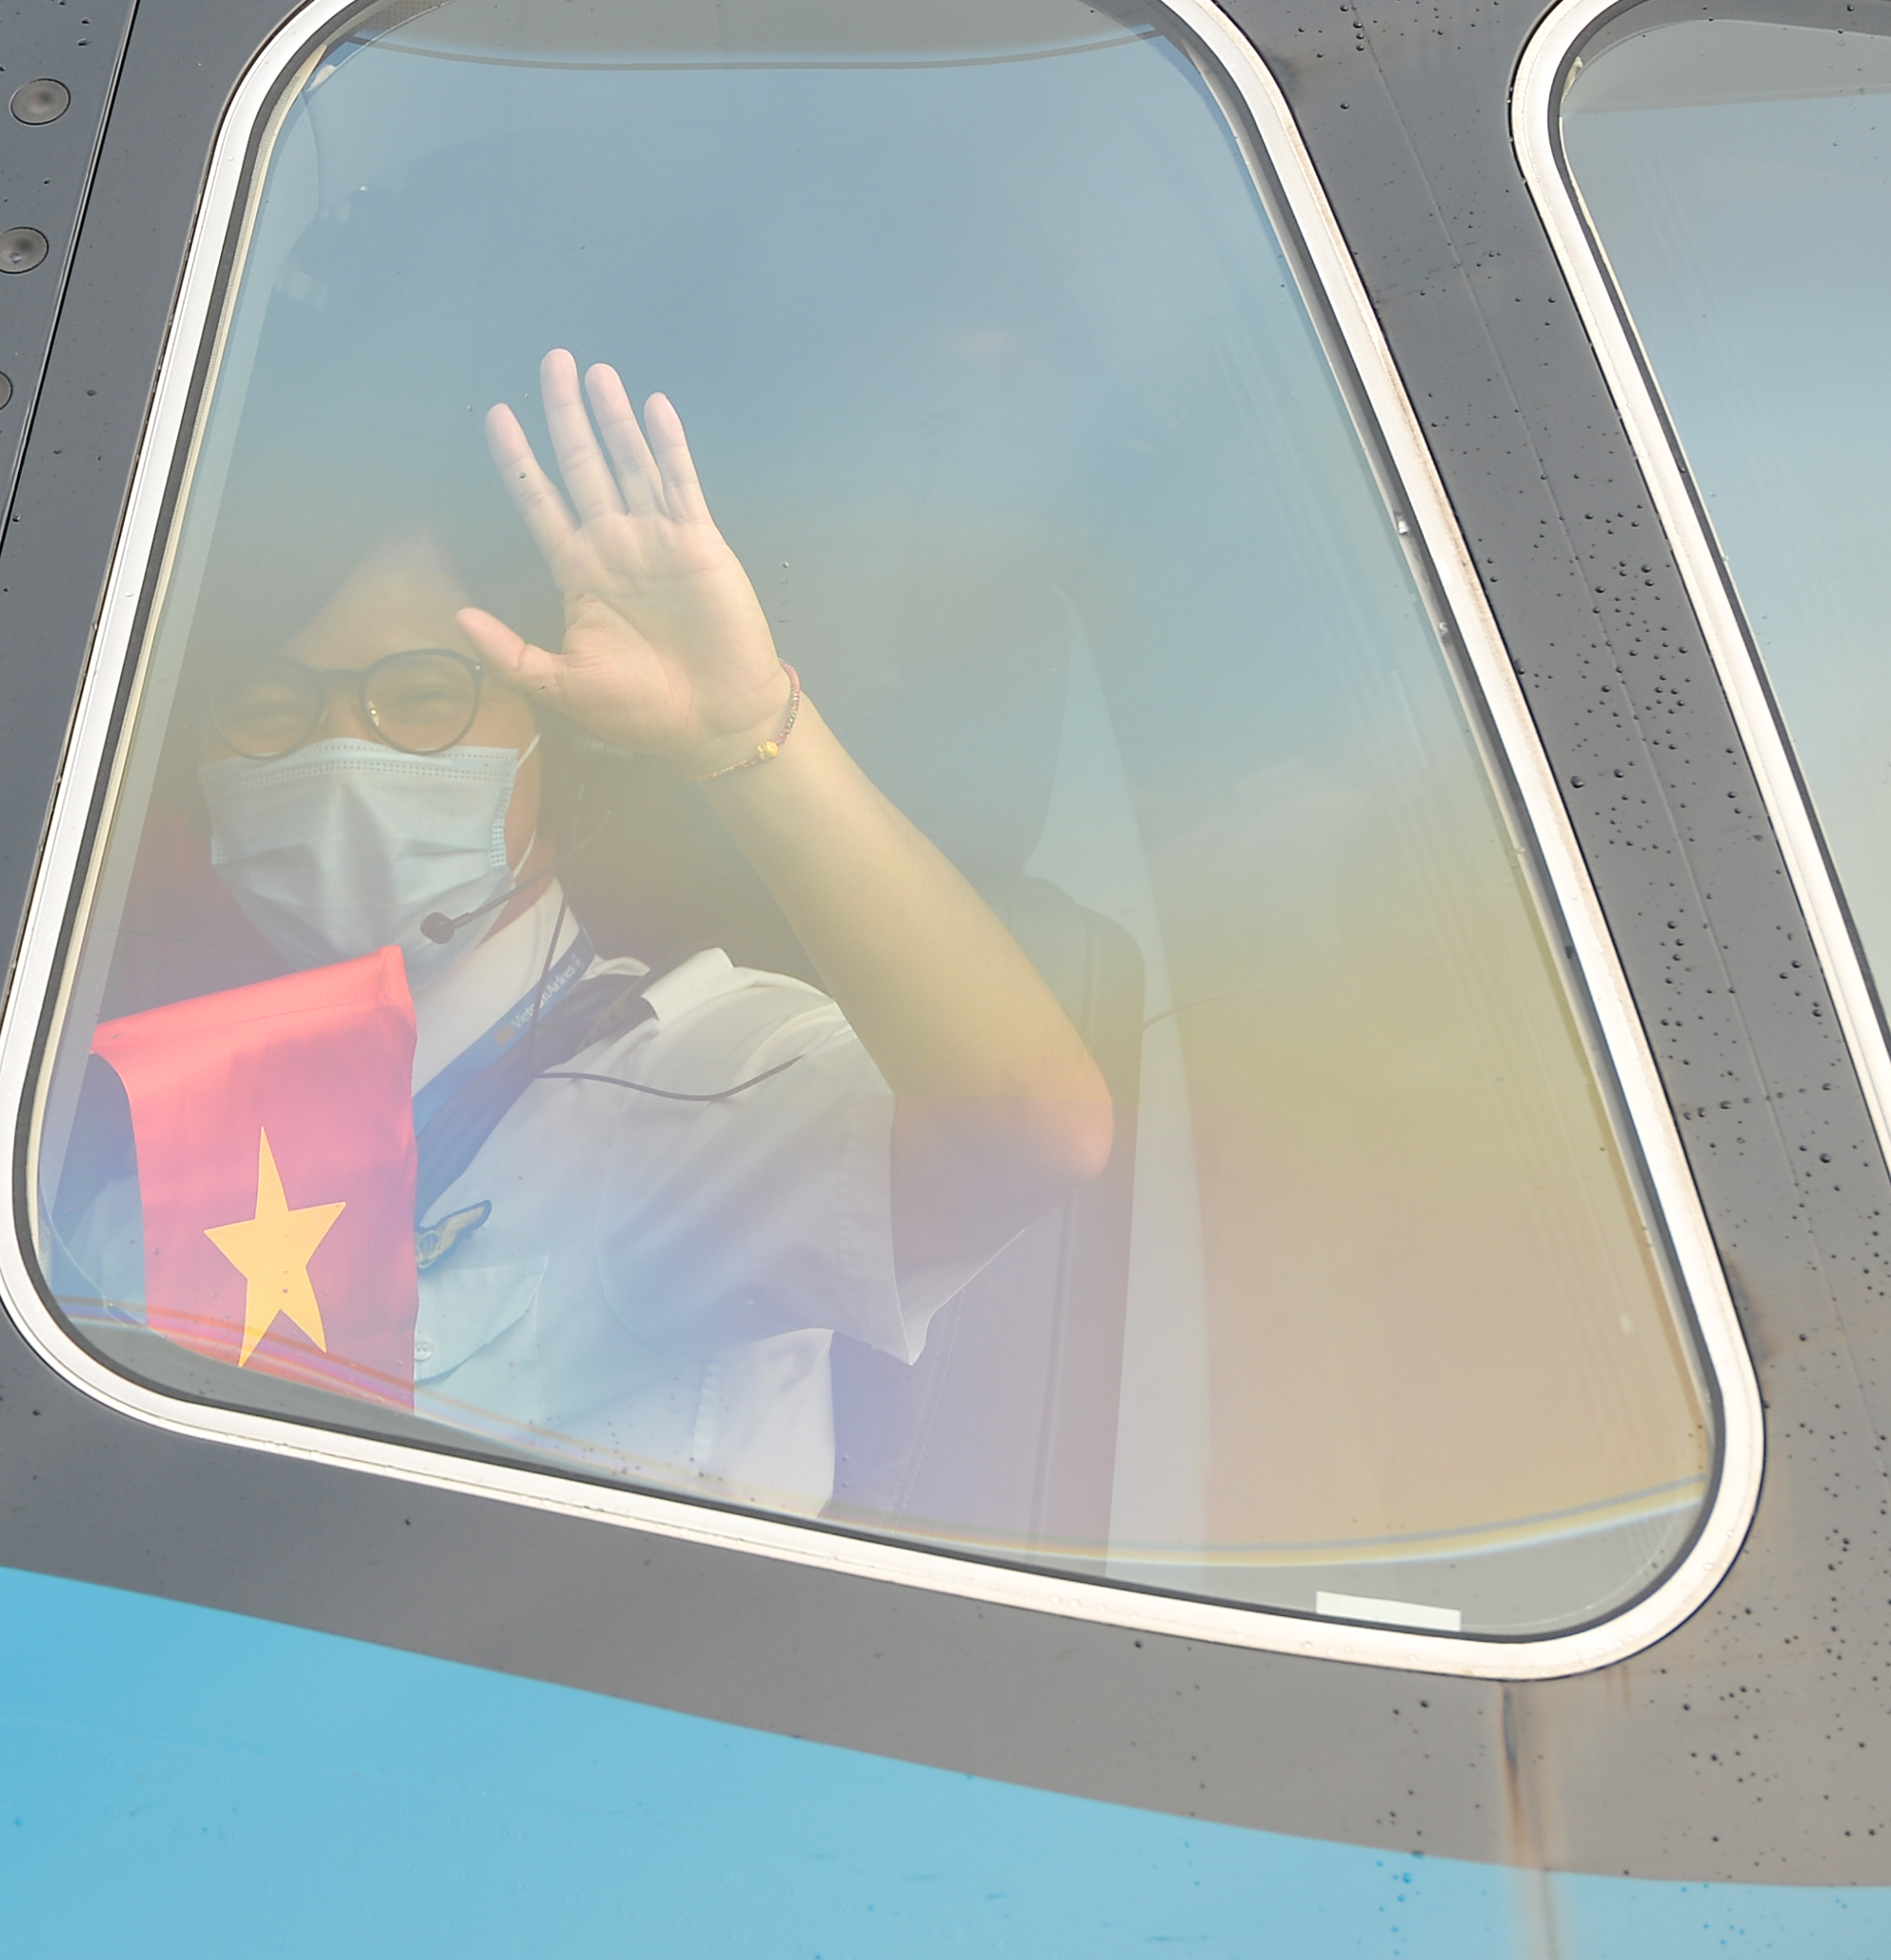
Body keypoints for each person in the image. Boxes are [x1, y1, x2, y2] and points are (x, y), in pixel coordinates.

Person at [69, 348, 1113, 1513]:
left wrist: (745, 735)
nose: (341, 756)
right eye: (271, 708)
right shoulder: (148, 1136)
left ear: (552, 748)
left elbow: (1026, 1131)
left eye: (422, 700)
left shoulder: (679, 1089)